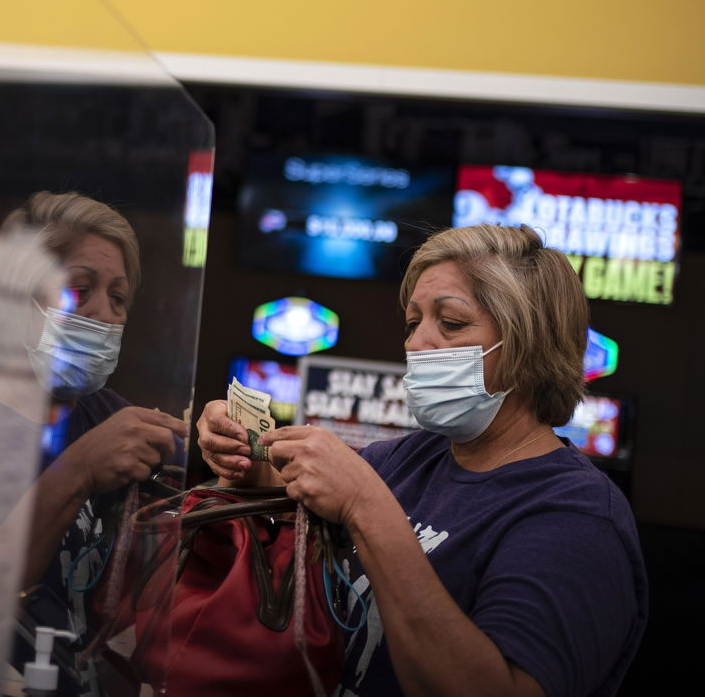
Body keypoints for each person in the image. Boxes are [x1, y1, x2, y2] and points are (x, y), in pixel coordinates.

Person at [198, 224, 647, 697]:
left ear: (528, 343)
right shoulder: (411, 457)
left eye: (450, 322)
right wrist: (241, 449)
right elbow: (288, 483)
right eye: (414, 323)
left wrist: (366, 507)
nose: (415, 343)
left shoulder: (578, 516)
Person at [0, 191, 187, 696]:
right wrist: (78, 471)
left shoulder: (106, 412)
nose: (105, 314)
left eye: (118, 298)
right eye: (79, 289)